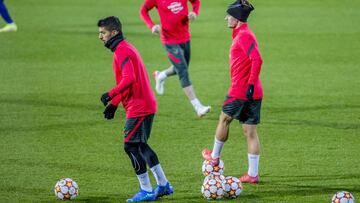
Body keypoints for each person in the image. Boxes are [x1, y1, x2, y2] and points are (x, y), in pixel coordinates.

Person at [97, 16, 173, 202]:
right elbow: (130, 81)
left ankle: (146, 190)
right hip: (144, 103)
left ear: (114, 32)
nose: (100, 37)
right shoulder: (125, 47)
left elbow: (129, 79)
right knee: (141, 145)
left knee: (130, 146)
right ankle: (163, 185)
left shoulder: (122, 50)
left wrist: (110, 93)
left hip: (139, 106)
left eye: (103, 33)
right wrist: (114, 103)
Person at [202, 0, 263, 184]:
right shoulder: (242, 34)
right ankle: (253, 174)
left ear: (236, 19)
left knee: (224, 119)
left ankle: (214, 157)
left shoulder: (244, 35)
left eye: (229, 15)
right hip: (254, 92)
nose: (226, 18)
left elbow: (257, 59)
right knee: (249, 132)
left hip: (240, 90)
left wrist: (250, 84)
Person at [140, 0, 211, 117]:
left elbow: (196, 1)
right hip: (169, 41)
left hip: (185, 37)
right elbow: (143, 11)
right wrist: (152, 26)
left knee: (182, 67)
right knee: (183, 71)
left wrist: (194, 12)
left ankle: (160, 75)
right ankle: (198, 107)